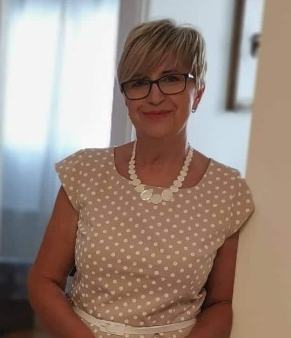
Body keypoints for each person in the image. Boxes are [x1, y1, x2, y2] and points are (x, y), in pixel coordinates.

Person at [27, 19, 254, 338]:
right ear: (126, 97)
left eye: (171, 79)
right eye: (138, 82)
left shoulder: (228, 191)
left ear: (198, 93)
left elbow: (221, 303)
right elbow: (43, 281)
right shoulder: (85, 172)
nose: (154, 96)